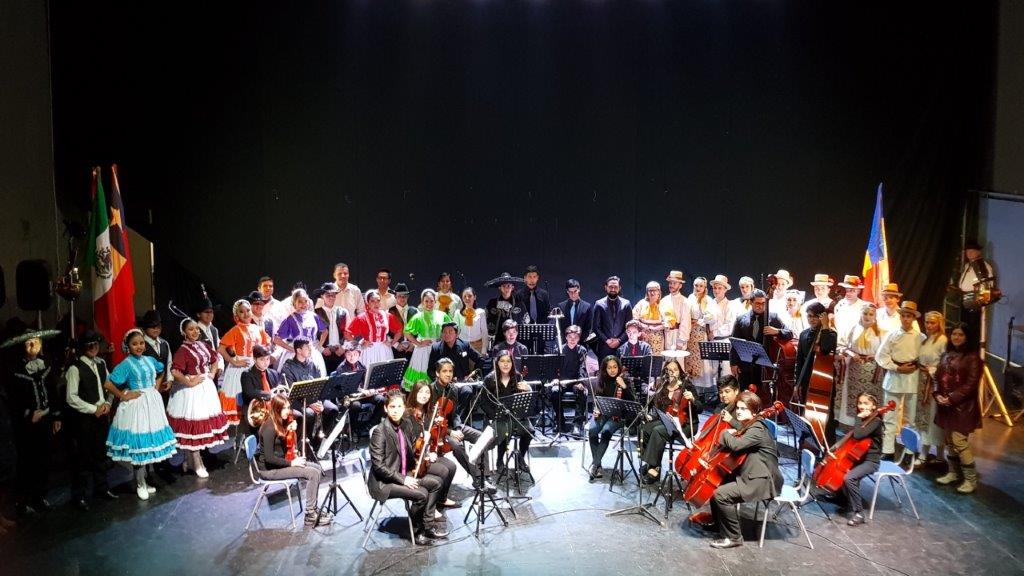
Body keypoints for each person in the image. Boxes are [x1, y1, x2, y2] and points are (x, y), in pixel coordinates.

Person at [104, 329, 178, 500]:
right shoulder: (126, 364)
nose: (139, 346)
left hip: (151, 402)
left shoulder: (150, 360)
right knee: (139, 445)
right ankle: (140, 483)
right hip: (137, 405)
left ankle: (145, 479)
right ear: (128, 346)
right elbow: (108, 383)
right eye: (134, 344)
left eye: (141, 343)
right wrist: (123, 395)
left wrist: (156, 387)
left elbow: (161, 371)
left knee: (150, 442)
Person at [367, 389, 448, 545]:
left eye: (399, 407)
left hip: (403, 474)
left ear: (404, 408)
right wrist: (404, 480)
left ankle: (427, 526)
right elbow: (379, 467)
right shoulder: (380, 432)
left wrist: (425, 451)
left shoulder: (406, 424)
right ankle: (416, 530)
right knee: (422, 494)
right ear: (386, 408)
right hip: (384, 483)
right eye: (392, 407)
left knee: (437, 483)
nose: (396, 411)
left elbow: (412, 449)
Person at [707, 391, 783, 549]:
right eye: (738, 408)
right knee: (716, 487)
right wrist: (733, 426)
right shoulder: (753, 424)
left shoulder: (757, 430)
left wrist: (724, 433)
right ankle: (719, 525)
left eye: (743, 409)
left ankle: (734, 537)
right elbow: (743, 427)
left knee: (721, 495)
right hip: (753, 473)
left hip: (762, 480)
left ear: (754, 412)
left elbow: (735, 445)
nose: (739, 411)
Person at [255, 394, 332, 526]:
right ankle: (310, 515)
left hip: (279, 463)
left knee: (317, 468)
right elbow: (269, 459)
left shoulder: (279, 422)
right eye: (284, 408)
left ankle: (313, 507)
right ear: (276, 409)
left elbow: (286, 446)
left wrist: (290, 429)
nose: (288, 411)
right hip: (268, 470)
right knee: (312, 473)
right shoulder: (269, 428)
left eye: (288, 407)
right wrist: (292, 463)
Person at [168, 319, 230, 477]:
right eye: (191, 329)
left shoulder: (203, 345)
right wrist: (189, 382)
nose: (195, 332)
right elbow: (175, 371)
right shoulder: (182, 350)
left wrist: (212, 373)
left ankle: (191, 460)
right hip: (192, 392)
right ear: (184, 332)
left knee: (204, 426)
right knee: (193, 428)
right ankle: (196, 462)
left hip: (206, 388)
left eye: (196, 329)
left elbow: (215, 358)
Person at [9, 330, 61, 514]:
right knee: (27, 462)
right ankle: (23, 501)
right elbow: (13, 400)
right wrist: (29, 413)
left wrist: (55, 416)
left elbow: (53, 391)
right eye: (30, 343)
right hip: (27, 424)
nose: (34, 347)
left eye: (37, 343)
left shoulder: (46, 364)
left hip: (45, 420)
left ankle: (39, 497)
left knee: (44, 459)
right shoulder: (16, 370)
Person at [426, 359, 496, 494]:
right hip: (438, 431)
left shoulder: (452, 388)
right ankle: (477, 479)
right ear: (437, 373)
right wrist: (451, 432)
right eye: (444, 371)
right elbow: (429, 420)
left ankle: (485, 475)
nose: (448, 374)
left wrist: (457, 428)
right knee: (457, 446)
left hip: (452, 426)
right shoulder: (430, 390)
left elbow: (455, 413)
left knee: (481, 437)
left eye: (450, 371)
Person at [65, 330, 117, 510]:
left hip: (102, 417)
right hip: (84, 420)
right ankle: (79, 495)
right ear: (83, 347)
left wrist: (108, 404)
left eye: (96, 344)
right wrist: (93, 409)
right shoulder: (75, 368)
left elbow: (109, 386)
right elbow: (72, 397)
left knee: (100, 454)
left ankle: (101, 488)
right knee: (83, 457)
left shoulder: (101, 363)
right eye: (90, 345)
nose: (94, 348)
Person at [933, 325, 983, 494]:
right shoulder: (947, 355)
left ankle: (971, 480)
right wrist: (937, 394)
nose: (956, 337)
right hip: (945, 406)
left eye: (960, 334)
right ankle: (953, 473)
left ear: (967, 337)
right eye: (954, 334)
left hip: (963, 408)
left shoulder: (973, 358)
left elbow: (971, 385)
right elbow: (937, 378)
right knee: (949, 442)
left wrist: (951, 398)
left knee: (959, 442)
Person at [874, 301, 925, 458]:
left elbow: (925, 358)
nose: (906, 319)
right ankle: (888, 450)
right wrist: (896, 367)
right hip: (894, 377)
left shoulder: (921, 337)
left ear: (913, 318)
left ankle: (910, 451)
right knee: (890, 415)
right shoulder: (892, 334)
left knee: (911, 417)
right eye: (903, 315)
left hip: (912, 378)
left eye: (909, 316)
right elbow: (881, 355)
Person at [639, 359, 702, 484]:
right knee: (644, 428)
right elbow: (657, 407)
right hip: (668, 421)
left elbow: (700, 409)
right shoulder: (662, 386)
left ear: (679, 371)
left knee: (657, 431)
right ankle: (651, 463)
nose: (671, 372)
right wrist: (650, 416)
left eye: (675, 369)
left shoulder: (687, 386)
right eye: (668, 370)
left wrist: (693, 399)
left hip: (686, 424)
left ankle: (653, 468)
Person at [404, 382, 459, 519]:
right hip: (414, 458)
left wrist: (432, 449)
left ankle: (441, 499)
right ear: (414, 393)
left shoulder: (428, 413)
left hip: (426, 453)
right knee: (443, 471)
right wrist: (426, 450)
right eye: (421, 392)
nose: (424, 396)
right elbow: (409, 443)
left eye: (427, 393)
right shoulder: (407, 414)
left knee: (452, 467)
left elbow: (431, 438)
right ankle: (430, 507)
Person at [218, 299, 271, 426]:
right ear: (237, 315)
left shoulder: (258, 329)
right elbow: (221, 348)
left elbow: (266, 345)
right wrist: (234, 362)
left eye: (248, 310)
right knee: (241, 400)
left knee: (257, 399)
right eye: (241, 312)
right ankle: (240, 432)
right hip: (240, 368)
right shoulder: (236, 330)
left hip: (256, 366)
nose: (246, 314)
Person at [483, 351, 535, 474]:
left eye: (508, 361)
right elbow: (483, 403)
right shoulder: (490, 379)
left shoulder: (517, 377)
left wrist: (528, 389)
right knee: (506, 431)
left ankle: (520, 458)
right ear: (497, 363)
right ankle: (500, 461)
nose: (505, 364)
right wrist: (493, 416)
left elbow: (526, 399)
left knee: (529, 431)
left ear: (512, 363)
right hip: (498, 417)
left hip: (516, 416)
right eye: (502, 361)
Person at [730, 290, 793, 391]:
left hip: (766, 367)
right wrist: (733, 363)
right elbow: (734, 343)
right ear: (751, 302)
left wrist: (777, 331)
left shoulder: (773, 317)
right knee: (745, 394)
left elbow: (789, 333)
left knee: (764, 395)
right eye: (758, 303)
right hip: (745, 365)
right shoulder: (741, 319)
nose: (761, 306)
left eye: (764, 303)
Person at [280, 338, 337, 445]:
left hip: (315, 399)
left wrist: (319, 401)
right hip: (298, 401)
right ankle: (306, 441)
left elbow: (320, 385)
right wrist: (310, 404)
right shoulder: (288, 367)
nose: (310, 350)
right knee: (309, 414)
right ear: (298, 350)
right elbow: (292, 392)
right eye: (307, 348)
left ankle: (318, 441)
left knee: (333, 409)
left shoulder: (313, 364)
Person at [837, 304, 884, 427]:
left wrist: (874, 356)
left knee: (870, 396)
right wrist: (851, 353)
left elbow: (886, 352)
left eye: (870, 314)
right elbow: (842, 346)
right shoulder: (853, 329)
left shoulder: (881, 332)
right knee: (854, 397)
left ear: (875, 316)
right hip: (855, 368)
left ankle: (869, 425)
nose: (867, 316)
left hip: (872, 370)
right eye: (865, 313)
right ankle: (854, 426)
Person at [841, 393, 885, 526]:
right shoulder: (867, 420)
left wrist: (857, 418)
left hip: (871, 461)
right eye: (860, 403)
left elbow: (858, 434)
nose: (862, 406)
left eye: (866, 403)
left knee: (849, 478)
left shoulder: (875, 421)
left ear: (873, 406)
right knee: (842, 471)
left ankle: (859, 513)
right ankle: (841, 499)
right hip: (860, 458)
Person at [587, 356, 635, 479]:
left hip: (618, 416)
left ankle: (595, 465)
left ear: (619, 367)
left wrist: (624, 386)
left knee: (606, 431)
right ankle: (597, 465)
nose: (612, 370)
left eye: (615, 367)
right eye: (609, 368)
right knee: (592, 430)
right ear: (605, 369)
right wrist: (596, 409)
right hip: (603, 413)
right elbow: (597, 399)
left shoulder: (625, 380)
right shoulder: (602, 380)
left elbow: (633, 402)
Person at [916, 311, 948, 465]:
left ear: (939, 324)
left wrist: (933, 371)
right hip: (923, 381)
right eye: (927, 322)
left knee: (933, 418)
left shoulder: (942, 341)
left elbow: (946, 364)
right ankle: (931, 453)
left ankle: (934, 454)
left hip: (934, 383)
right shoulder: (925, 339)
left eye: (932, 322)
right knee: (925, 417)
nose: (928, 325)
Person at [403, 289, 453, 389]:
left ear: (435, 301)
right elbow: (407, 332)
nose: (429, 303)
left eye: (431, 301)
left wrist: (444, 340)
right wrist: (418, 343)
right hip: (422, 351)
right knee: (422, 380)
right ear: (422, 302)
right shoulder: (418, 317)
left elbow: (452, 329)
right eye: (426, 301)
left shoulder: (442, 315)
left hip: (438, 349)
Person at [793, 302, 838, 411]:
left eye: (816, 316)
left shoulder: (831, 334)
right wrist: (797, 383)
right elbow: (799, 360)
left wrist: (826, 326)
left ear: (822, 317)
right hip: (806, 377)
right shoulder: (803, 334)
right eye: (809, 316)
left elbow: (825, 350)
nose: (812, 319)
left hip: (823, 379)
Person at [275, 288, 329, 378]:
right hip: (296, 353)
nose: (303, 304)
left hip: (312, 352)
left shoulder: (313, 316)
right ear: (294, 303)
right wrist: (291, 349)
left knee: (315, 379)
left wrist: (319, 346)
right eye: (300, 301)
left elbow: (325, 331)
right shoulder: (290, 318)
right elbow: (277, 339)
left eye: (305, 301)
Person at [957, 240, 997, 344]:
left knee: (972, 329)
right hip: (965, 299)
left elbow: (987, 288)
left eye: (972, 250)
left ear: (978, 252)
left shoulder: (984, 267)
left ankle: (971, 351)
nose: (969, 252)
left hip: (974, 301)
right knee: (963, 327)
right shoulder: (967, 266)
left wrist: (978, 300)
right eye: (967, 250)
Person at [346, 290, 401, 366]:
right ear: (367, 303)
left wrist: (392, 343)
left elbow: (399, 330)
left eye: (378, 300)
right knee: (368, 373)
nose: (376, 303)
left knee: (384, 373)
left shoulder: (387, 316)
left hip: (384, 350)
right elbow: (347, 334)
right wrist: (359, 346)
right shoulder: (361, 317)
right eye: (372, 301)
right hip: (368, 350)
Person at [239, 345, 284, 435]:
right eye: (262, 360)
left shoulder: (274, 373)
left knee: (297, 417)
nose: (266, 363)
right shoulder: (247, 374)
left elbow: (280, 388)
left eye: (267, 359)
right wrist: (269, 394)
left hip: (273, 408)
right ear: (255, 359)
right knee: (268, 426)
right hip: (256, 410)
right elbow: (249, 392)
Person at [553, 324, 590, 433]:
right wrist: (556, 379)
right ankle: (560, 423)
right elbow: (554, 368)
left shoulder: (582, 350)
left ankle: (577, 425)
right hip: (562, 381)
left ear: (579, 338)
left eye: (575, 338)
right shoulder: (559, 349)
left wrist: (581, 382)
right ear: (566, 337)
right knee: (555, 392)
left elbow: (583, 368)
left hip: (575, 381)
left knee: (582, 392)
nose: (572, 340)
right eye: (570, 337)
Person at [592, 276, 633, 359]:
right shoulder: (599, 304)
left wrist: (619, 340)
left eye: (615, 287)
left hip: (622, 346)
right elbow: (596, 327)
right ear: (606, 287)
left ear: (619, 288)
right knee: (604, 371)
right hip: (604, 346)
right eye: (610, 287)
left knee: (622, 371)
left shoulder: (626, 304)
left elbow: (630, 327)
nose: (613, 289)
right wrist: (607, 340)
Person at [314, 281, 350, 375]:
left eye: (333, 295)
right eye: (327, 295)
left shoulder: (343, 312)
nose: (331, 297)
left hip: (340, 352)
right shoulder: (316, 313)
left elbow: (348, 333)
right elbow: (312, 335)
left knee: (341, 378)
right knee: (325, 378)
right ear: (322, 296)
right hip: (324, 353)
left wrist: (343, 347)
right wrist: (322, 349)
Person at [687, 276, 718, 383]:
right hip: (690, 333)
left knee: (701, 359)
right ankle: (691, 384)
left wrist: (699, 321)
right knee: (689, 359)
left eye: (701, 286)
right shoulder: (690, 297)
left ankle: (702, 388)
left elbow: (712, 317)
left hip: (701, 333)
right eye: (696, 285)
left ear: (705, 287)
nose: (698, 288)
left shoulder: (708, 300)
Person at [632, 281, 675, 355]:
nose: (652, 293)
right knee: (644, 358)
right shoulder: (641, 303)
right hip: (643, 335)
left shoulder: (664, 304)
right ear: (647, 292)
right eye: (650, 290)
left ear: (659, 292)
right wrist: (642, 326)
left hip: (657, 337)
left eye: (654, 290)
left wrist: (655, 328)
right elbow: (634, 318)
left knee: (656, 359)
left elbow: (670, 322)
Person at [485, 275, 527, 347]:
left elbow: (526, 323)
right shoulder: (492, 303)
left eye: (508, 286)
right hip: (497, 340)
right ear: (500, 288)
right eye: (503, 286)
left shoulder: (519, 304)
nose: (506, 288)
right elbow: (485, 321)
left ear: (512, 287)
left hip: (515, 341)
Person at [138, 309, 173, 385]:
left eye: (158, 326)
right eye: (152, 327)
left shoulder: (165, 343)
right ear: (145, 327)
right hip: (148, 385)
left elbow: (169, 363)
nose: (156, 329)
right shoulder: (140, 344)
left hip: (164, 386)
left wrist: (170, 380)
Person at [453, 287, 489, 356]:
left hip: (478, 347)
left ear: (474, 297)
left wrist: (484, 350)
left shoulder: (481, 312)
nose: (467, 298)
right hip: (463, 347)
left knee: (477, 367)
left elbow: (484, 332)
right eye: (464, 296)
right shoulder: (458, 313)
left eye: (470, 296)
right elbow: (455, 333)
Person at [832, 275, 867, 344]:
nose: (848, 293)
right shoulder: (839, 305)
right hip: (840, 344)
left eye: (852, 291)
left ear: (858, 291)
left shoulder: (864, 306)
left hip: (857, 344)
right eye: (846, 290)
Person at [663, 271, 692, 352]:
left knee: (678, 363)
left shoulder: (685, 301)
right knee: (666, 363)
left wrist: (680, 342)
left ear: (680, 285)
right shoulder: (664, 300)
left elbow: (685, 323)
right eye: (670, 283)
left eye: (674, 283)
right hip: (666, 336)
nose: (671, 285)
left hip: (678, 337)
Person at [389, 282, 417, 361]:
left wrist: (414, 344)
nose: (402, 298)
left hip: (412, 349)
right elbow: (386, 333)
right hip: (396, 350)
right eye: (399, 296)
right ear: (395, 296)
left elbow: (420, 331)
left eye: (404, 296)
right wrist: (396, 345)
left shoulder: (415, 311)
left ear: (408, 297)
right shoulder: (389, 312)